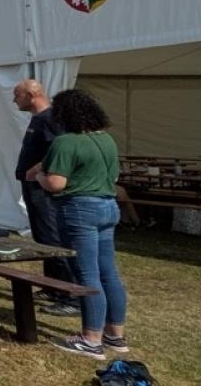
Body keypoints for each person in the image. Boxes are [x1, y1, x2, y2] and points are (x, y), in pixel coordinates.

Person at [29, 88, 128, 360]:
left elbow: (56, 182)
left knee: (87, 274)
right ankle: (115, 334)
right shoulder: (106, 139)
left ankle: (91, 339)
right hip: (108, 207)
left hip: (80, 210)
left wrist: (39, 178)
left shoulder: (66, 142)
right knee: (109, 272)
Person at [12, 79, 73, 309]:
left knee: (52, 238)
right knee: (43, 238)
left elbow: (59, 149)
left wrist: (38, 170)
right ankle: (52, 286)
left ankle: (69, 294)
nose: (14, 100)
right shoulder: (38, 119)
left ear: (31, 95)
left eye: (17, 95)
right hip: (32, 186)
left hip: (43, 188)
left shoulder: (50, 119)